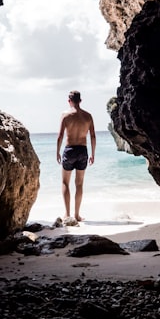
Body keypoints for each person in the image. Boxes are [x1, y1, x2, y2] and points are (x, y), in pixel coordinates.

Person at [56, 89, 96, 222]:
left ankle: (67, 215)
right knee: (79, 184)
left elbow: (60, 135)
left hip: (70, 150)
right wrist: (93, 154)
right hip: (83, 150)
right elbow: (93, 136)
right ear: (80, 101)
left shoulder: (65, 115)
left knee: (65, 182)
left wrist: (57, 152)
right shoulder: (88, 116)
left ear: (69, 101)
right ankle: (77, 215)